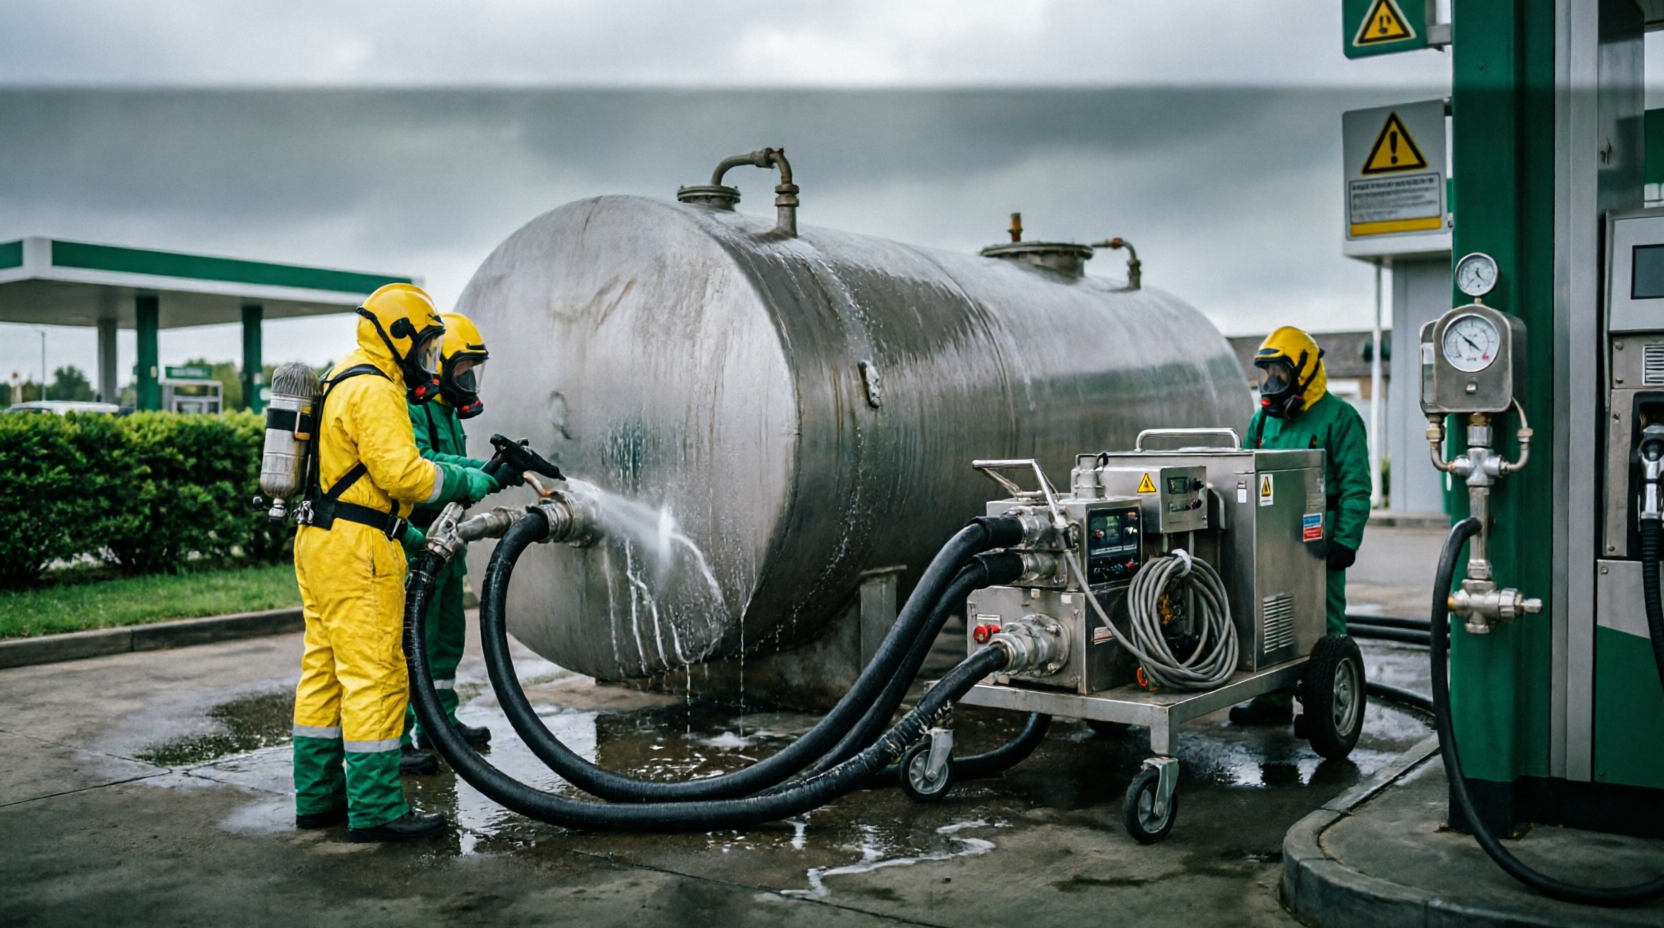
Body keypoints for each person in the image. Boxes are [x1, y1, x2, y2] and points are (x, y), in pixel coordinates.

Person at [290, 283, 500, 841]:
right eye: (427, 344)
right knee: (376, 676)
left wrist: (402, 531)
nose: (428, 358)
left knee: (324, 675)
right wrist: (471, 479)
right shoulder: (376, 388)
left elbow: (349, 483)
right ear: (400, 336)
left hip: (321, 540)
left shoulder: (341, 376)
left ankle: (318, 800)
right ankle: (378, 809)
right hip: (359, 554)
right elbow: (405, 475)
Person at [1229, 326, 1371, 726]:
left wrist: (1345, 540)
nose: (1271, 383)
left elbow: (1357, 488)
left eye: (1280, 374)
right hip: (1272, 540)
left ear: (1304, 372)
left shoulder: (1341, 419)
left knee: (1324, 621)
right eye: (1266, 374)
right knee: (1272, 620)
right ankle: (1274, 702)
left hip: (1319, 542)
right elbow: (1243, 474)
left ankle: (1323, 707)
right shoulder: (1261, 423)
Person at [400, 313, 512, 764]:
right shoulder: (414, 404)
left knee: (447, 635)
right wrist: (480, 472)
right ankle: (402, 733)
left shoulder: (446, 409)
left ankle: (439, 723)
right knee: (416, 638)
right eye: (463, 369)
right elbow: (422, 459)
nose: (469, 380)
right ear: (441, 364)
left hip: (447, 539)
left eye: (473, 371)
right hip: (420, 538)